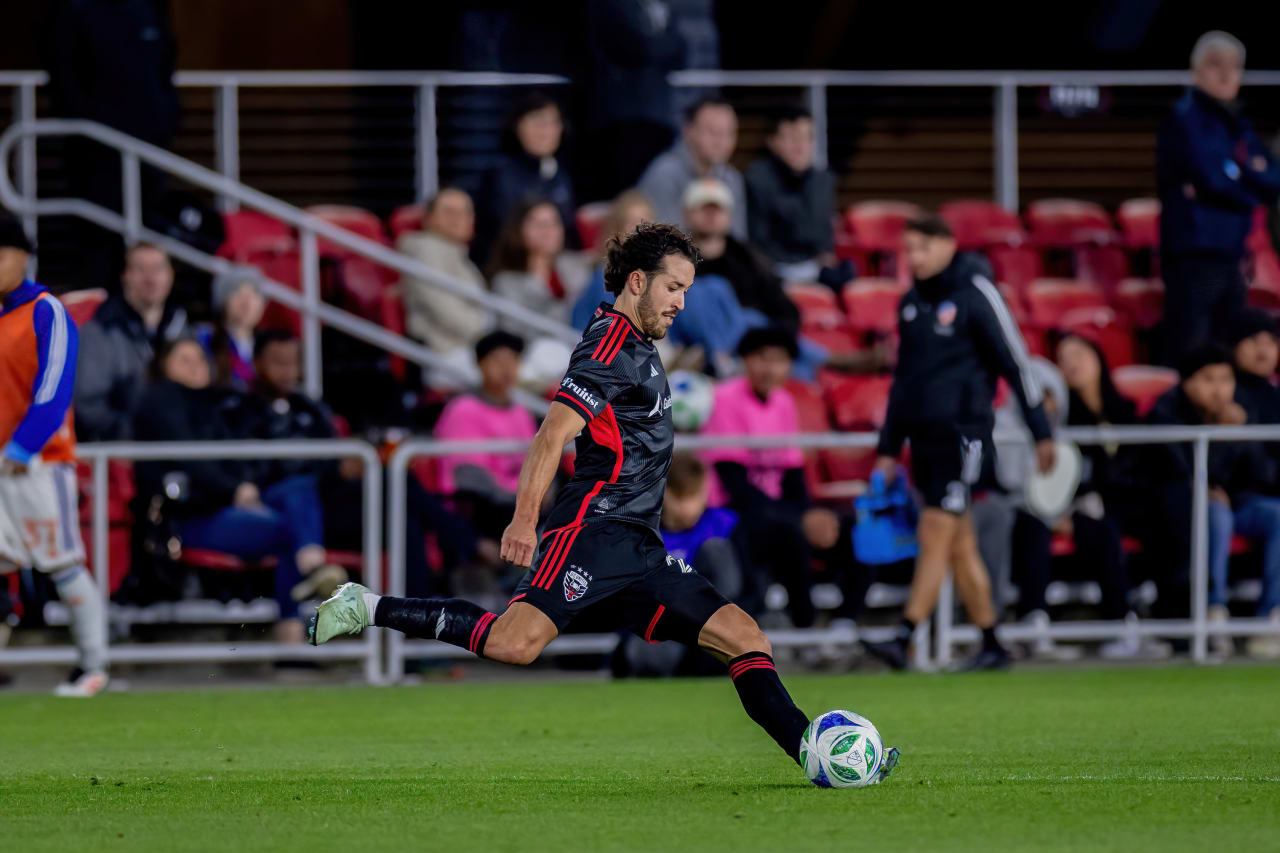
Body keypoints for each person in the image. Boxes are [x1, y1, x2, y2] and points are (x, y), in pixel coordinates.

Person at [309, 223, 900, 781]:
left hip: (638, 542)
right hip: (591, 530)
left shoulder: (638, 341)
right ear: (637, 282)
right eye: (673, 287)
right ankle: (367, 606)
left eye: (686, 291)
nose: (680, 303)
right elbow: (551, 434)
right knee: (515, 644)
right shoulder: (610, 346)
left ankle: (817, 757)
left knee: (744, 637)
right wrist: (523, 517)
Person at [870, 214, 1054, 671]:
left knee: (935, 532)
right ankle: (992, 642)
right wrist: (890, 447)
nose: (915, 258)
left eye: (923, 247)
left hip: (964, 437)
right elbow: (903, 381)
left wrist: (1042, 432)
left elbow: (1016, 362)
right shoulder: (911, 303)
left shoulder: (976, 292)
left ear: (949, 245)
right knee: (960, 544)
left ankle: (904, 635)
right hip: (925, 441)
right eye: (909, 249)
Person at [132, 338, 343, 644]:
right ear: (164, 365)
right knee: (290, 531)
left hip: (238, 501)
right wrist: (235, 490)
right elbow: (189, 459)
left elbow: (242, 457)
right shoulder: (162, 400)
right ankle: (295, 615)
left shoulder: (220, 402)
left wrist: (248, 485)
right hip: (193, 516)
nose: (194, 367)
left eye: (199, 360)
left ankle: (311, 559)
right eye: (184, 360)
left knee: (298, 487)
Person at [0, 219, 109, 697]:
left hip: (39, 463)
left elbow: (55, 385)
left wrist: (26, 444)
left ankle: (93, 666)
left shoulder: (49, 312)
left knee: (62, 563)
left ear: (24, 256)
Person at [1144, 345, 1280, 658]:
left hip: (1240, 502)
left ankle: (1271, 616)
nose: (1219, 389)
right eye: (1208, 379)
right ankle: (1212, 608)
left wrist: (1241, 433)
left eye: (1225, 379)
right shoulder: (1166, 412)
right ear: (1187, 382)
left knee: (1276, 514)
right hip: (1186, 509)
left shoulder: (1242, 408)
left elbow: (1263, 476)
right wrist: (1221, 439)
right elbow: (1181, 475)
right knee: (1215, 512)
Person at [701, 327, 842, 627]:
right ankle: (807, 630)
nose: (770, 369)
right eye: (761, 359)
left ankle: (846, 625)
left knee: (847, 528)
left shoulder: (784, 402)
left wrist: (809, 514)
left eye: (779, 361)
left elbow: (793, 475)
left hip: (776, 511)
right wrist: (798, 520)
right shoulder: (724, 399)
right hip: (732, 512)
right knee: (789, 534)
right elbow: (734, 482)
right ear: (746, 361)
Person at [1157, 31, 1280, 366]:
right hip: (1194, 256)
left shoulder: (1239, 124)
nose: (1227, 75)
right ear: (1196, 71)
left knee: (1231, 351)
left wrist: (1238, 173)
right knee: (1193, 353)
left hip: (1232, 255)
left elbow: (1272, 179)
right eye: (1216, 66)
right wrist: (1246, 177)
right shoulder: (1184, 120)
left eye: (1235, 67)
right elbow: (1212, 178)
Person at [48, 0, 179, 289]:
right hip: (96, 152)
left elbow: (165, 66)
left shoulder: (150, 7)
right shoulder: (74, 8)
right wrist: (88, 126)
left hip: (150, 149)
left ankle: (143, 322)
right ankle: (101, 324)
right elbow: (63, 73)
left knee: (148, 238)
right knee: (97, 243)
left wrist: (166, 119)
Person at [75, 243, 189, 441]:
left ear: (170, 275)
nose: (150, 279)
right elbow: (88, 405)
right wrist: (139, 434)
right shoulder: (99, 331)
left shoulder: (183, 328)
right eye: (140, 269)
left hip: (180, 444)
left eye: (158, 268)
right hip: (124, 453)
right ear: (125, 275)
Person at [433, 331, 539, 545]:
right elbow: (470, 479)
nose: (507, 368)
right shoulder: (463, 409)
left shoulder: (521, 412)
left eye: (513, 360)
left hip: (520, 508)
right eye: (498, 360)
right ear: (480, 365)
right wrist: (526, 502)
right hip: (479, 516)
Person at [582, 0, 686, 199]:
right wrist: (666, 41)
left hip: (657, 119)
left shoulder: (660, 5)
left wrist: (659, 43)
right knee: (627, 198)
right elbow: (638, 49)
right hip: (622, 120)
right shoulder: (611, 5)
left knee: (654, 197)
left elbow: (682, 51)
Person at [474, 94, 579, 265]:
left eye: (553, 123)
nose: (546, 131)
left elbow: (570, 231)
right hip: (511, 268)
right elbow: (502, 232)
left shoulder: (561, 174)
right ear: (517, 127)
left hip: (556, 267)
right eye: (539, 123)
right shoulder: (500, 174)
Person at [396, 187, 492, 368]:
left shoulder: (459, 255)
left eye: (465, 212)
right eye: (449, 212)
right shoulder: (426, 250)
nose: (458, 219)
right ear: (428, 219)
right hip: (445, 355)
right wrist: (491, 339)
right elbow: (444, 309)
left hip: (470, 351)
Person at [745, 106, 837, 282]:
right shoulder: (757, 178)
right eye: (792, 137)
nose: (800, 146)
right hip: (772, 272)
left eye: (807, 137)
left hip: (817, 270)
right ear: (772, 141)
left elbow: (822, 238)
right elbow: (759, 241)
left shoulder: (823, 180)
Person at [638, 97, 747, 239]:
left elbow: (737, 239)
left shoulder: (732, 178)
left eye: (729, 132)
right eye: (712, 131)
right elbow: (664, 243)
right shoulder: (664, 174)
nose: (721, 141)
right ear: (688, 131)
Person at [488, 199, 592, 339]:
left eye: (554, 223)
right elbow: (513, 331)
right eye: (539, 224)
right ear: (519, 231)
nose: (548, 231)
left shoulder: (577, 266)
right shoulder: (506, 282)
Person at [571, 190, 656, 329]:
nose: (639, 230)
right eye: (632, 222)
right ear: (617, 230)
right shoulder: (605, 277)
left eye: (645, 223)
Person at [1228, 310, 1280, 479]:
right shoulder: (1222, 395)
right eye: (1253, 341)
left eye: (1271, 342)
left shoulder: (1275, 394)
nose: (1263, 353)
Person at [196, 266, 266, 390]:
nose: (246, 303)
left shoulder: (266, 346)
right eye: (237, 294)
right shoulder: (204, 337)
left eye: (253, 294)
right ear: (222, 303)